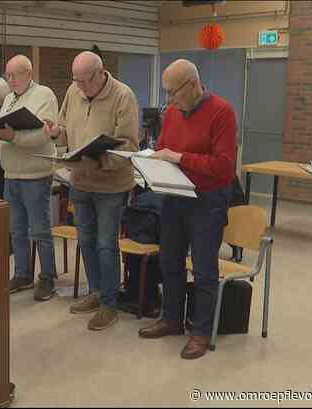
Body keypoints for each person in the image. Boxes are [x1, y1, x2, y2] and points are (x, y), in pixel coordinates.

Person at [137, 59, 237, 360]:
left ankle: (201, 332)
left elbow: (223, 168)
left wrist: (179, 157)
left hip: (207, 202)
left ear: (193, 85)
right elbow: (165, 151)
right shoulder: (172, 114)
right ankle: (171, 319)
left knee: (204, 270)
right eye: (166, 93)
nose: (168, 101)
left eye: (173, 92)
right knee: (170, 263)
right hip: (173, 197)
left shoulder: (222, 112)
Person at [44, 51, 140, 331]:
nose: (81, 87)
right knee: (85, 241)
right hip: (80, 181)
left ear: (101, 73)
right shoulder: (73, 92)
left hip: (110, 185)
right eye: (76, 81)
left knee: (105, 244)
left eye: (86, 81)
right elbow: (63, 129)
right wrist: (54, 132)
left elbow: (130, 146)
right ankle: (96, 292)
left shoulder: (123, 96)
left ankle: (110, 303)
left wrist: (97, 159)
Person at [0, 55, 59, 301]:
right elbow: (6, 137)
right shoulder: (10, 99)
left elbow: (43, 136)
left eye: (15, 75)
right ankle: (22, 274)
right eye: (7, 76)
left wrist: (11, 137)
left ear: (29, 73)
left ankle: (47, 279)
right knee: (16, 229)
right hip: (10, 174)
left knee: (40, 230)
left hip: (36, 174)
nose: (10, 80)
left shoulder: (45, 95)